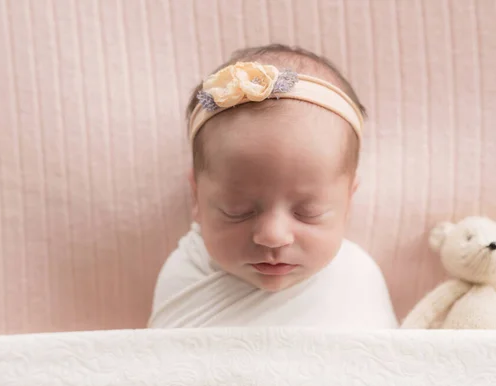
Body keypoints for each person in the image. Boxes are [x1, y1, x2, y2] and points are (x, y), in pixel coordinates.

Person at [148, 44, 397, 329]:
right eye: (237, 210)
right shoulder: (187, 274)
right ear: (196, 197)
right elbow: (162, 366)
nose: (272, 236)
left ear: (348, 202)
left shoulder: (356, 278)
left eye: (308, 211)